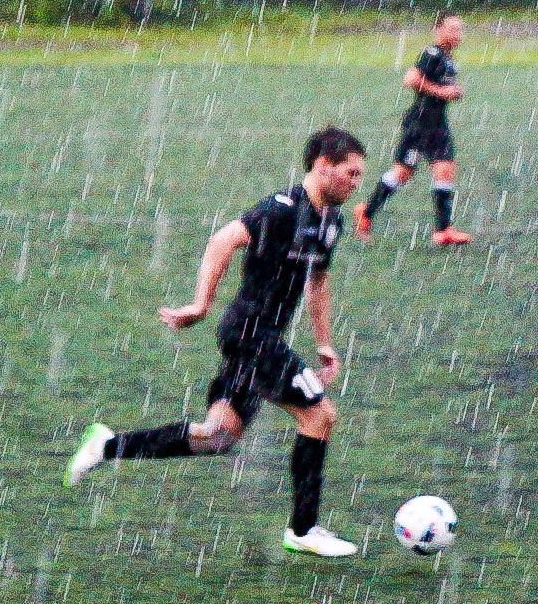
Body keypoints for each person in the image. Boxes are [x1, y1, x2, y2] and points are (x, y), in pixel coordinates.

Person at [68, 128, 369, 558]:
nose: (356, 183)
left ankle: (106, 445)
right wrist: (200, 303)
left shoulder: (329, 221)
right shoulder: (281, 209)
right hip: (250, 334)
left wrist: (325, 343)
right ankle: (303, 530)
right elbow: (223, 239)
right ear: (323, 165)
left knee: (218, 436)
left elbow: (318, 281)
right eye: (350, 173)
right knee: (319, 415)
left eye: (360, 176)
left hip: (257, 338)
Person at [354, 13, 471, 245]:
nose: (456, 34)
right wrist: (442, 92)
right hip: (419, 125)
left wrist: (453, 91)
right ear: (439, 30)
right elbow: (411, 78)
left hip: (438, 124)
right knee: (403, 173)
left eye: (459, 30)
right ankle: (366, 212)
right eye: (452, 29)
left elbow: (439, 86)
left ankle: (443, 230)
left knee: (446, 169)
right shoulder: (432, 53)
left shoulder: (448, 59)